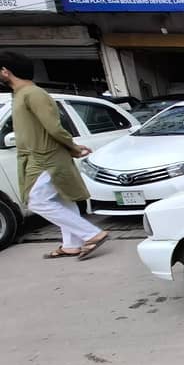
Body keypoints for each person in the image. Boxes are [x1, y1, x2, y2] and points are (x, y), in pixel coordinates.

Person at [0, 52, 109, 259]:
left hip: (45, 157)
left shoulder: (33, 94)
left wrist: (73, 147)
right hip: (38, 156)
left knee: (36, 201)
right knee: (63, 199)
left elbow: (54, 127)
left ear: (6, 71)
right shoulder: (20, 94)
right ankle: (71, 245)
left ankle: (92, 234)